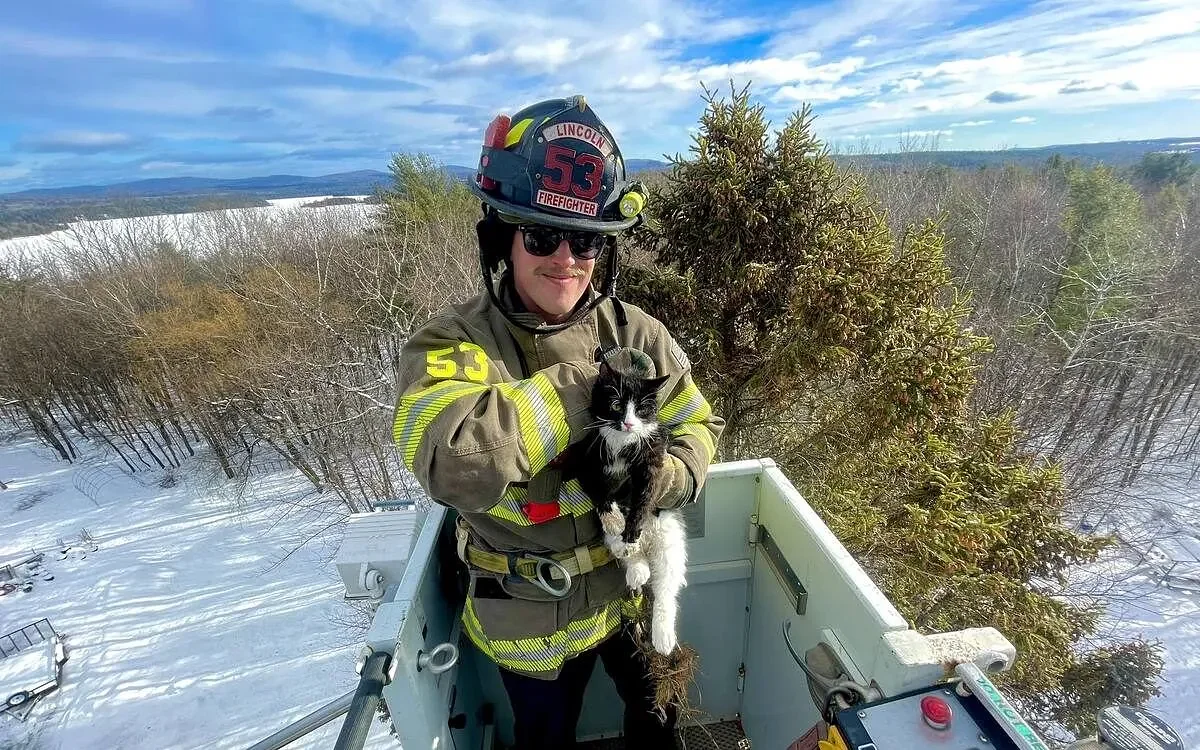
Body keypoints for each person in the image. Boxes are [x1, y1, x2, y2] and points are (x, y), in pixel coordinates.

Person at [392, 94, 724, 750]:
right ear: (502, 239)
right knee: (545, 739)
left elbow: (699, 426)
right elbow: (455, 464)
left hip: (628, 593)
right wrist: (585, 388)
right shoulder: (449, 348)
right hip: (525, 620)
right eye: (542, 236)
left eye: (587, 240)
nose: (566, 259)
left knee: (659, 721)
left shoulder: (638, 332)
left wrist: (666, 481)